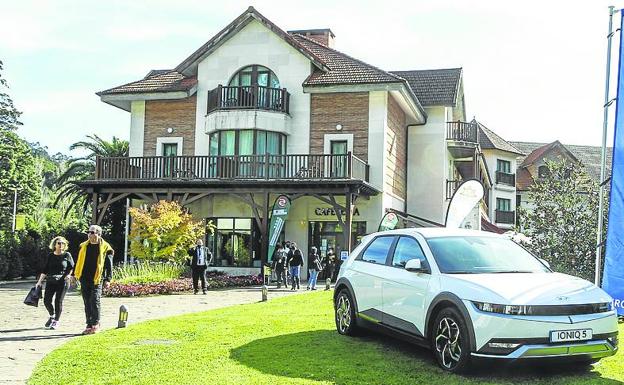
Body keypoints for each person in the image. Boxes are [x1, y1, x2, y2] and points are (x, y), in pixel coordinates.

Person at [72, 224, 113, 335]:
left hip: (97, 278)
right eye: (89, 232)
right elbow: (78, 261)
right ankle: (89, 325)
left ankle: (96, 324)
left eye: (92, 232)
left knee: (94, 300)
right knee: (87, 302)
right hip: (84, 277)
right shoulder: (83, 246)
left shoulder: (106, 247)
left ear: (99, 234)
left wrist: (108, 279)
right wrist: (73, 275)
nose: (89, 234)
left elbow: (109, 265)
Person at [36, 236, 74, 330]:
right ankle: (52, 315)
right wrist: (39, 282)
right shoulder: (50, 256)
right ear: (54, 245)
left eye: (63, 243)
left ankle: (56, 321)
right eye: (59, 243)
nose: (61, 245)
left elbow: (71, 267)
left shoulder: (67, 255)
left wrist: (69, 275)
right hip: (51, 281)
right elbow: (45, 269)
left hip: (63, 281)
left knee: (58, 301)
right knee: (46, 301)